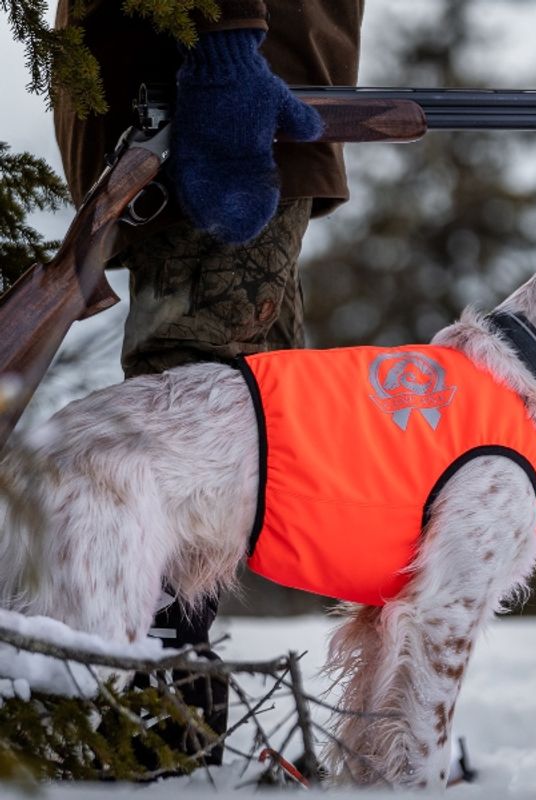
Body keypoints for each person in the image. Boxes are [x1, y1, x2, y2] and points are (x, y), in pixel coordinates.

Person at [52, 0, 365, 766]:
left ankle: (163, 729)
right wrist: (227, 45)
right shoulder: (224, 60)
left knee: (240, 406)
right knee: (197, 420)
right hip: (221, 76)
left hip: (197, 72)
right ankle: (157, 737)